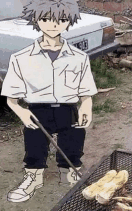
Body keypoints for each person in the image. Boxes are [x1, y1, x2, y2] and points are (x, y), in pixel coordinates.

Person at [1, 0, 98, 203]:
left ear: (69, 21)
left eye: (61, 19)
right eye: (46, 19)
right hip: (37, 110)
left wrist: (86, 105)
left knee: (73, 139)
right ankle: (33, 178)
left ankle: (70, 172)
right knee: (35, 144)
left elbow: (86, 92)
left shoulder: (79, 58)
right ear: (35, 20)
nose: (53, 24)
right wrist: (21, 111)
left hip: (68, 109)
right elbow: (12, 99)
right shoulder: (21, 58)